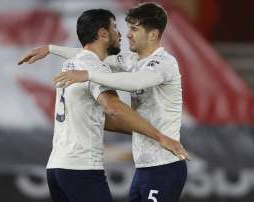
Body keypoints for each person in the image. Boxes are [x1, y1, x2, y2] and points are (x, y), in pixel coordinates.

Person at [18, 8, 188, 202]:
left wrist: (87, 74)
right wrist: (51, 49)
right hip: (138, 167)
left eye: (134, 28)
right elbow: (92, 57)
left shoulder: (164, 63)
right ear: (103, 33)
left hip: (164, 163)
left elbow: (135, 82)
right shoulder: (129, 61)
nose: (127, 33)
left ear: (154, 34)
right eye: (122, 27)